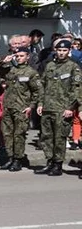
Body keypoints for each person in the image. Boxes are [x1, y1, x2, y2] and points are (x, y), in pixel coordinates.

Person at [0, 36, 41, 171]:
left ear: (27, 57)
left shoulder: (31, 73)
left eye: (21, 55)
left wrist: (31, 106)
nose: (18, 58)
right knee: (7, 134)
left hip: (21, 109)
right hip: (8, 107)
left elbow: (37, 91)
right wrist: (2, 61)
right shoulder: (10, 70)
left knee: (19, 135)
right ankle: (10, 158)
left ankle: (18, 160)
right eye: (17, 55)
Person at [33, 38, 79, 176]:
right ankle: (50, 162)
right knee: (47, 137)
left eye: (64, 50)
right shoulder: (50, 66)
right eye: (59, 50)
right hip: (48, 107)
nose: (61, 53)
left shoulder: (73, 67)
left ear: (69, 51)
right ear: (55, 51)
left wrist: (70, 108)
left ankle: (58, 165)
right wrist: (40, 103)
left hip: (62, 109)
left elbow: (76, 90)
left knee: (59, 138)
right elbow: (42, 86)